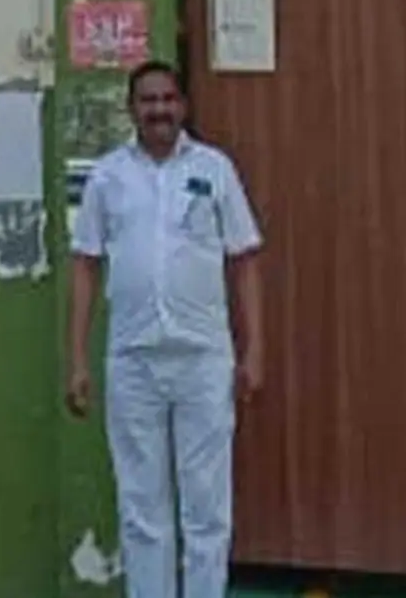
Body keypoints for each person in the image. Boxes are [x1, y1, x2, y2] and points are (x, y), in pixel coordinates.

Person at [65, 60, 264, 598]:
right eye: (148, 100)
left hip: (203, 360)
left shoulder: (215, 170)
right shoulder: (107, 177)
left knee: (207, 508)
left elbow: (244, 260)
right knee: (141, 507)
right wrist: (78, 360)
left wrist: (254, 351)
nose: (159, 110)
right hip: (133, 361)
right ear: (131, 109)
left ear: (183, 106)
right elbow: (85, 265)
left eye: (168, 99)